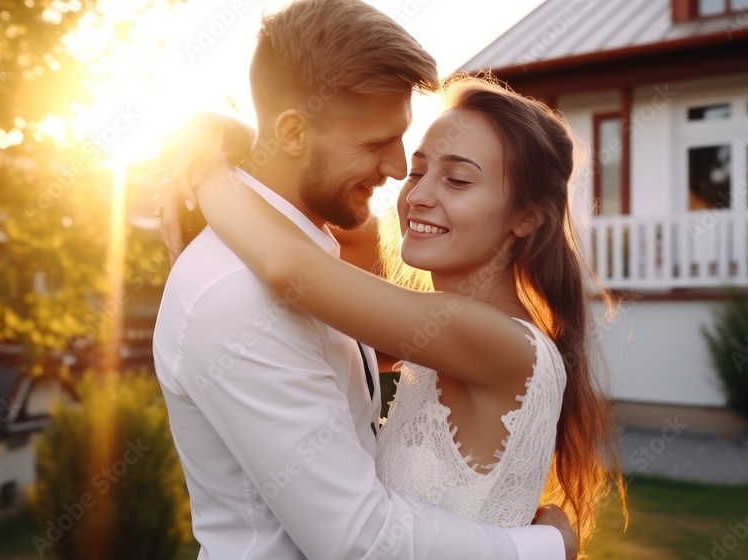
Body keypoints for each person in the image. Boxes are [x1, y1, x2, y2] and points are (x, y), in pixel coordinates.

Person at [152, 1, 578, 558]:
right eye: (384, 146)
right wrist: (543, 549)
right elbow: (359, 539)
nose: (402, 173)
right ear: (294, 132)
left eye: (458, 178)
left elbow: (292, 265)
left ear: (527, 217)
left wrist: (211, 171)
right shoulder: (237, 290)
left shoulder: (478, 333)